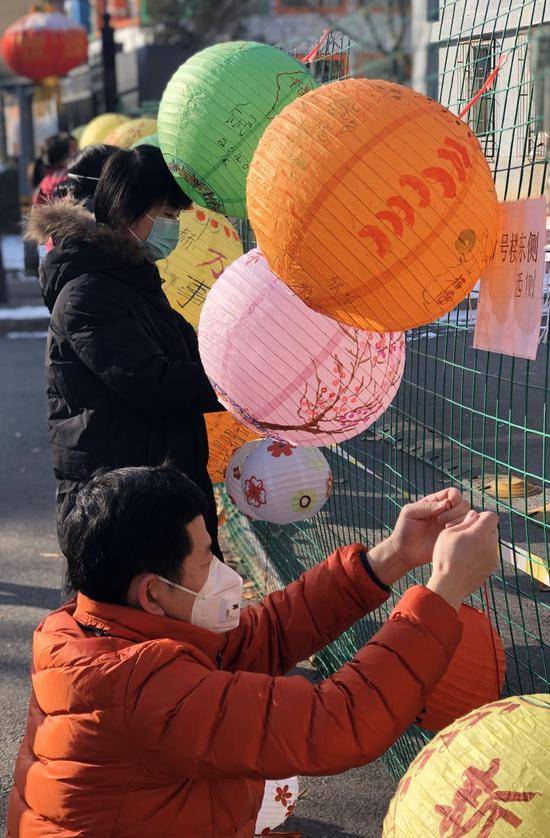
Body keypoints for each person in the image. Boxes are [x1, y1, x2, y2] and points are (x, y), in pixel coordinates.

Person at [8, 466, 499, 837]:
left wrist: (392, 556)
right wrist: (443, 591)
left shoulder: (85, 627)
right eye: (206, 558)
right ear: (152, 592)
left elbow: (252, 641)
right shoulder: (138, 687)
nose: (223, 573)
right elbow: (337, 723)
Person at [26, 146, 225, 560]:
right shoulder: (88, 294)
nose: (172, 228)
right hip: (120, 513)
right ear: (124, 209)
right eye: (165, 215)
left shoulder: (135, 283)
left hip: (158, 497)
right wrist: (241, 384)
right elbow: (153, 382)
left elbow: (190, 357)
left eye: (176, 217)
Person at [31, 132, 77, 206]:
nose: (78, 151)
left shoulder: (45, 181)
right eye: (74, 149)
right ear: (64, 155)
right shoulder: (68, 177)